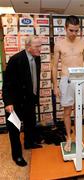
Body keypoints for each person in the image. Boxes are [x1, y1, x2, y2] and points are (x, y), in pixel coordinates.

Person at [52, 15, 84, 152]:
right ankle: (69, 138)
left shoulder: (83, 43)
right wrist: (55, 85)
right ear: (65, 28)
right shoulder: (59, 44)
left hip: (80, 80)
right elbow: (53, 67)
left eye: (76, 30)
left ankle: (78, 138)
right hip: (66, 80)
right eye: (71, 30)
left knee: (79, 111)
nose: (74, 34)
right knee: (67, 111)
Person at [2, 36, 42, 167]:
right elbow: (7, 84)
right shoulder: (15, 60)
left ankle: (29, 142)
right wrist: (8, 102)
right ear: (28, 47)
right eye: (37, 46)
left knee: (30, 123)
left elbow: (34, 79)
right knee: (14, 130)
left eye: (40, 46)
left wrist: (35, 97)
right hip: (15, 102)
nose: (40, 49)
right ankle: (17, 155)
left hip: (30, 99)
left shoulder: (37, 58)